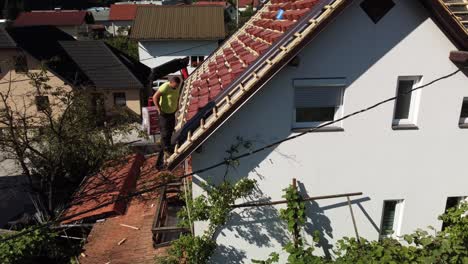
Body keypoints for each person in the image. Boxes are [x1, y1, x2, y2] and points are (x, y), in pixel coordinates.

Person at [153, 76, 181, 169]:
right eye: (175, 86)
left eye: (177, 86)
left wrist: (176, 106)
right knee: (165, 133)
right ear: (171, 83)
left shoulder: (176, 87)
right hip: (164, 114)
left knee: (170, 130)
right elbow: (155, 97)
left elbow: (176, 97)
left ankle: (167, 147)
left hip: (171, 113)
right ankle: (166, 150)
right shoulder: (165, 87)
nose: (176, 88)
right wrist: (158, 109)